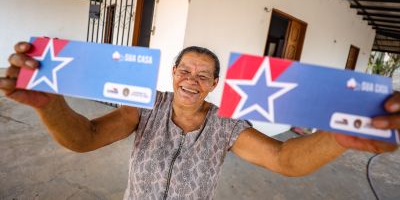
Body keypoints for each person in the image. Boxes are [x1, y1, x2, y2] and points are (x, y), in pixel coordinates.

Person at [1, 42, 399, 199]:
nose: (191, 80)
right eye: (185, 71)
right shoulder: (144, 106)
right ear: (173, 72)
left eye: (203, 75)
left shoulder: (226, 125)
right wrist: (48, 104)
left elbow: (283, 160)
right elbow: (86, 137)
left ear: (213, 84)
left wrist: (339, 138)